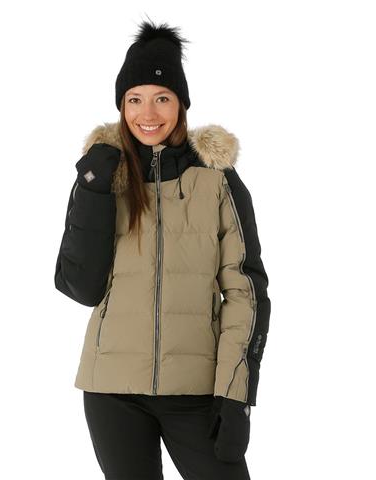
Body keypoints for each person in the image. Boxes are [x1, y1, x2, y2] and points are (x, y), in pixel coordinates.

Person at [54, 19, 271, 480]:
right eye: (134, 99)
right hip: (112, 390)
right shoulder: (103, 175)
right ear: (121, 105)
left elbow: (246, 292)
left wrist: (235, 394)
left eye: (161, 98)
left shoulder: (216, 180)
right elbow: (81, 286)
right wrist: (92, 189)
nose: (147, 113)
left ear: (181, 104)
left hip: (196, 392)